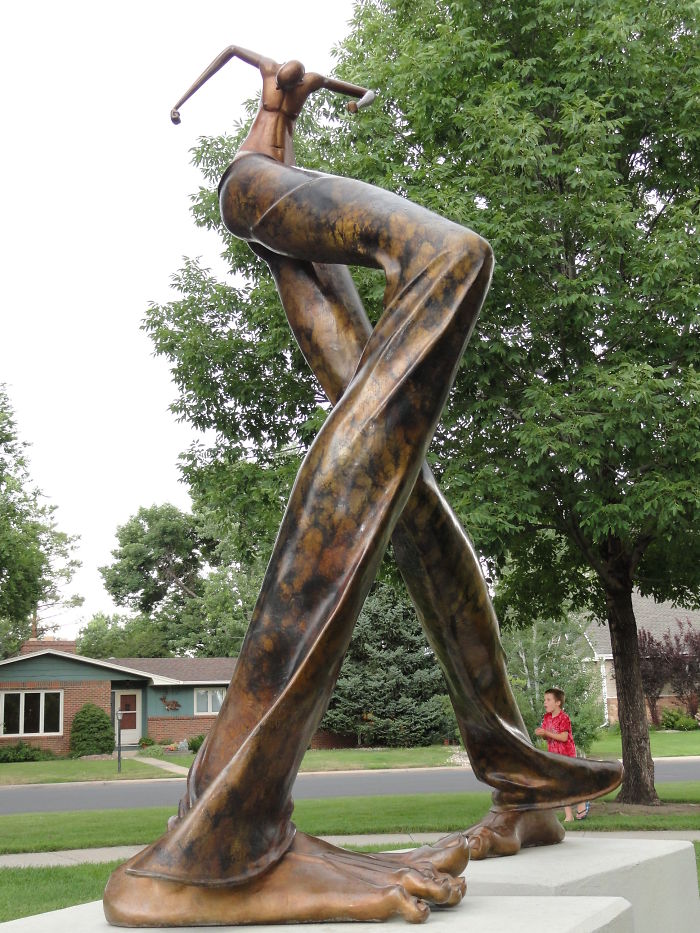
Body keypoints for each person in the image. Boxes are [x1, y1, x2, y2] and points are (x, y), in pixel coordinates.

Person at [104, 47, 621, 927]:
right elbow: (262, 190)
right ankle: (222, 838)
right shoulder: (250, 188)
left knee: (405, 493)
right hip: (251, 180)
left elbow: (321, 308)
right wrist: (271, 125)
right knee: (453, 255)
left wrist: (279, 111)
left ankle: (518, 777)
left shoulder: (273, 202)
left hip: (262, 183)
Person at [535, 688, 589, 821]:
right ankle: (569, 815)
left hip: (567, 756)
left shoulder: (564, 718)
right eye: (544, 700)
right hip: (554, 756)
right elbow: (548, 738)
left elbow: (564, 737)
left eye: (548, 700)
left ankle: (583, 802)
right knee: (562, 786)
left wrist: (546, 733)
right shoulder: (547, 718)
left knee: (571, 783)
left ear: (558, 702)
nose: (545, 703)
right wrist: (542, 734)